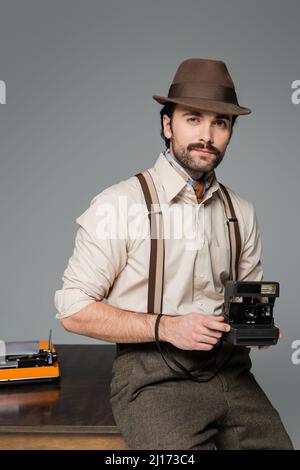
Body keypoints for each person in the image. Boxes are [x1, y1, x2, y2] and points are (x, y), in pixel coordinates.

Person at [54, 58, 293, 450]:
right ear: (168, 125)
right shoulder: (120, 204)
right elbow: (73, 310)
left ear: (230, 131)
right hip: (152, 379)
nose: (207, 135)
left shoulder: (242, 212)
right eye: (194, 119)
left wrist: (254, 327)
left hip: (232, 373)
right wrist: (168, 327)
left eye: (221, 123)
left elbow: (245, 298)